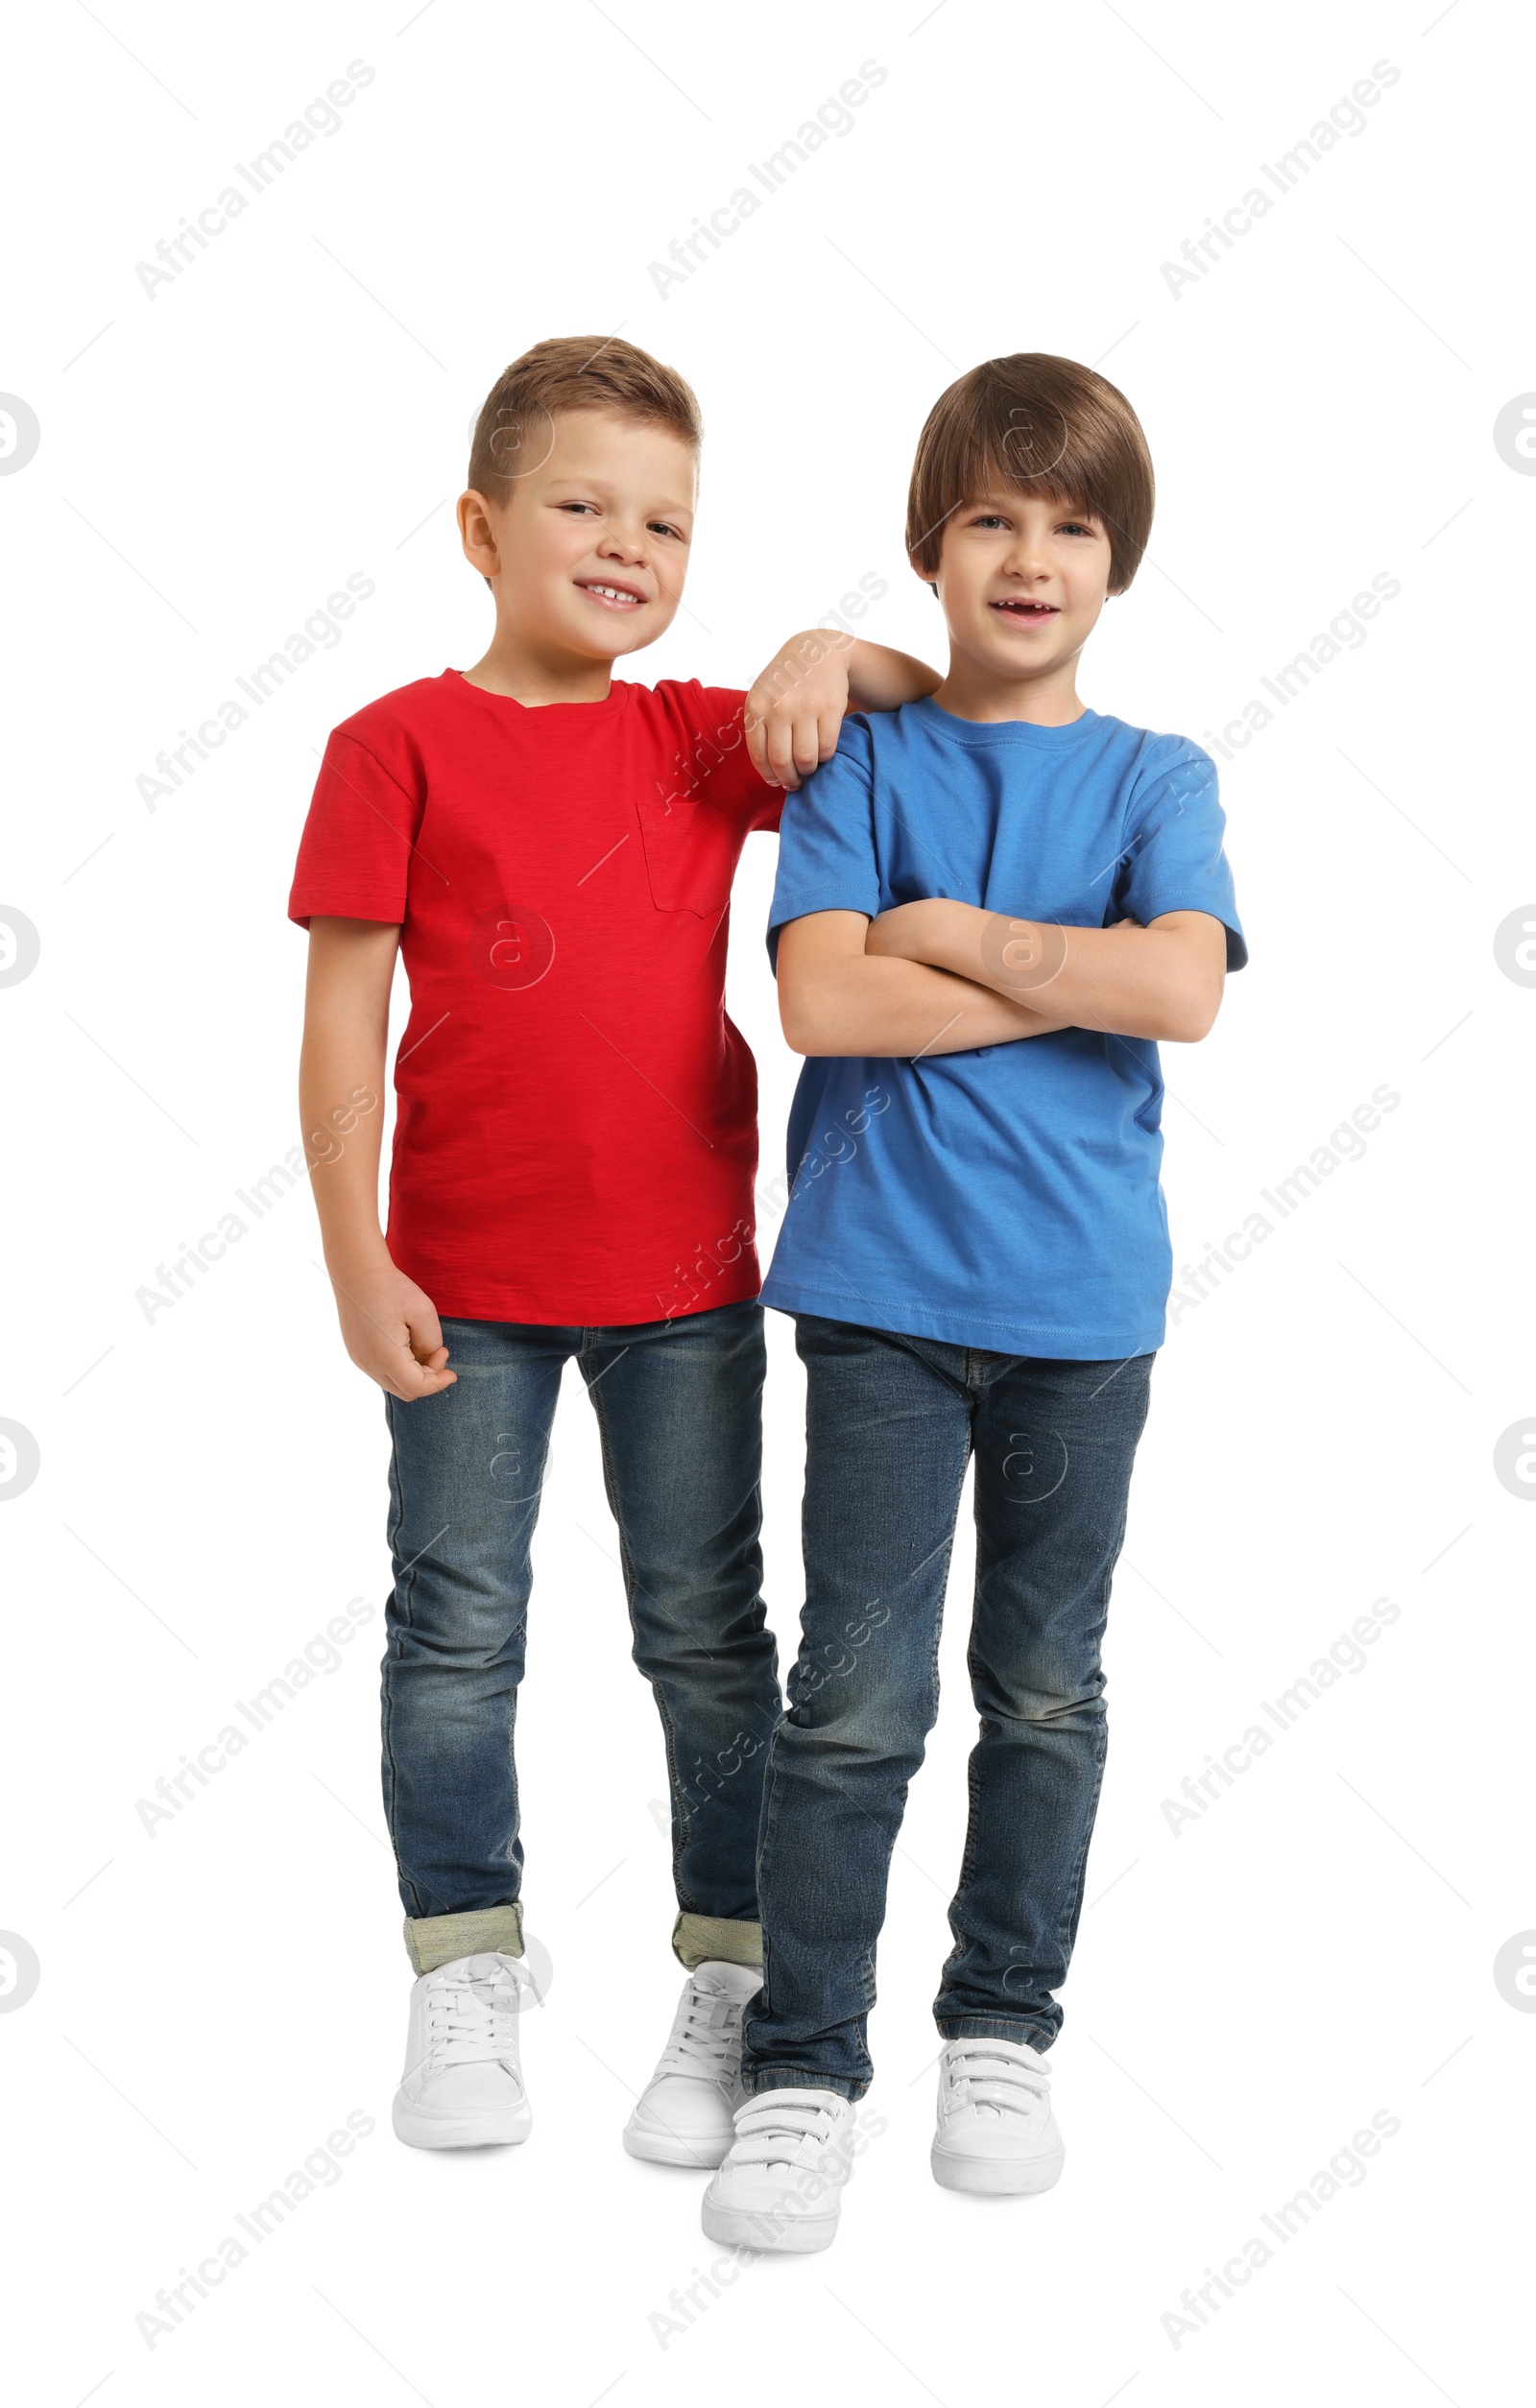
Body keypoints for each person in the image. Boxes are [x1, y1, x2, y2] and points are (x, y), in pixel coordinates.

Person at [288, 335, 938, 2168]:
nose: (627, 544)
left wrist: (824, 647)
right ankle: (464, 1958)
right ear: (484, 529)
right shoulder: (392, 744)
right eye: (582, 504)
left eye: (666, 520)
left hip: (686, 1292)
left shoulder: (692, 737)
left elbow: (902, 696)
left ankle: (727, 1971)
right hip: (462, 1286)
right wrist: (354, 1258)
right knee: (456, 1634)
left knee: (709, 1639)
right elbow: (341, 1026)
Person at [702, 351, 1247, 2252]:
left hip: (1081, 1310)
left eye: (1070, 526)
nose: (1030, 556)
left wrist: (945, 931)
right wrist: (1062, 969)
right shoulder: (865, 753)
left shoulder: (1154, 773)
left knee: (1041, 1688)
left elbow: (1183, 991)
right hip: (873, 1296)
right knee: (847, 1700)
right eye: (991, 519)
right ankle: (799, 2063)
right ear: (929, 546)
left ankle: (999, 2026)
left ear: (1118, 563)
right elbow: (821, 1005)